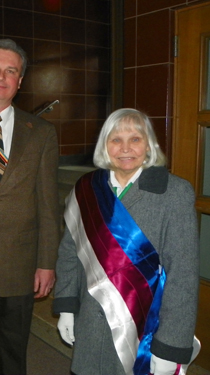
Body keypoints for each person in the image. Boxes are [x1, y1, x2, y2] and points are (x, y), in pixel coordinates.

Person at [53, 108, 200, 375]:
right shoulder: (86, 189)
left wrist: (170, 346)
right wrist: (66, 305)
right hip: (91, 324)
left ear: (149, 145)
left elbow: (183, 276)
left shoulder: (174, 193)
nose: (125, 148)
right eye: (116, 139)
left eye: (135, 139)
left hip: (144, 327)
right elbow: (69, 253)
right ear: (104, 145)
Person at [0, 39, 61, 375]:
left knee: (15, 350)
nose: (1, 77)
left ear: (20, 82)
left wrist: (46, 263)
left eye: (11, 71)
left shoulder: (42, 132)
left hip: (20, 262)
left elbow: (49, 204)